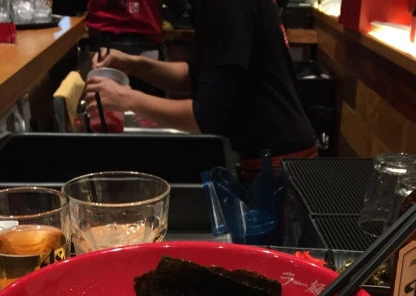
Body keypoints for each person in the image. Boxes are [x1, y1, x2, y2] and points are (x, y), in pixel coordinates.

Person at [86, 0, 317, 177]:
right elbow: (197, 79)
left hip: (276, 163)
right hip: (269, 155)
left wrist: (125, 99)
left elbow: (206, 116)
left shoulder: (227, 5)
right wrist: (133, 65)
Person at [85, 0, 188, 95]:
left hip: (100, 47)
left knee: (101, 106)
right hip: (146, 46)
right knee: (149, 107)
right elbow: (179, 8)